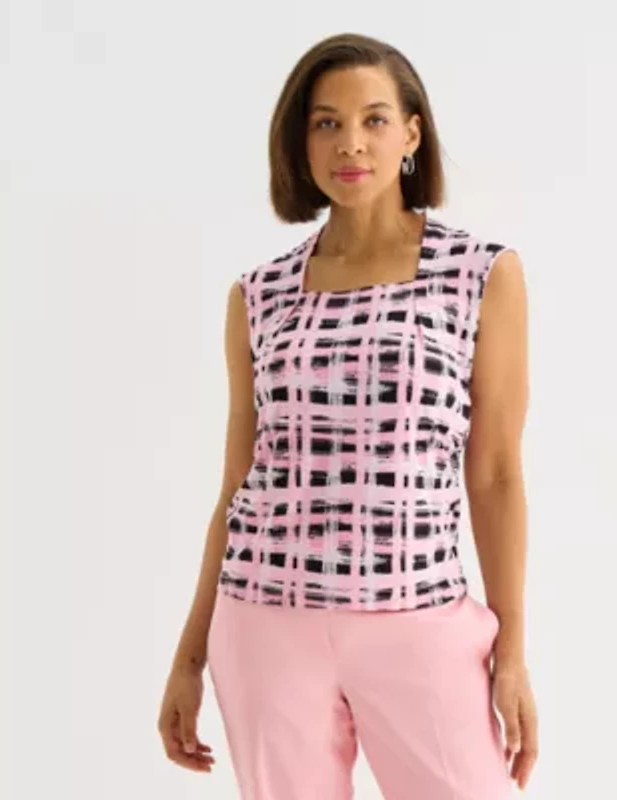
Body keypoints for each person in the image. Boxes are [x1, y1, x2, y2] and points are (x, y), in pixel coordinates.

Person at [158, 32, 538, 799]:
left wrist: (513, 654)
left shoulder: (478, 274)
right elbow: (238, 484)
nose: (350, 143)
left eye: (373, 119)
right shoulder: (258, 295)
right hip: (264, 621)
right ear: (300, 143)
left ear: (412, 134)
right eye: (326, 123)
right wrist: (190, 656)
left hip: (419, 621)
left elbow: (495, 473)